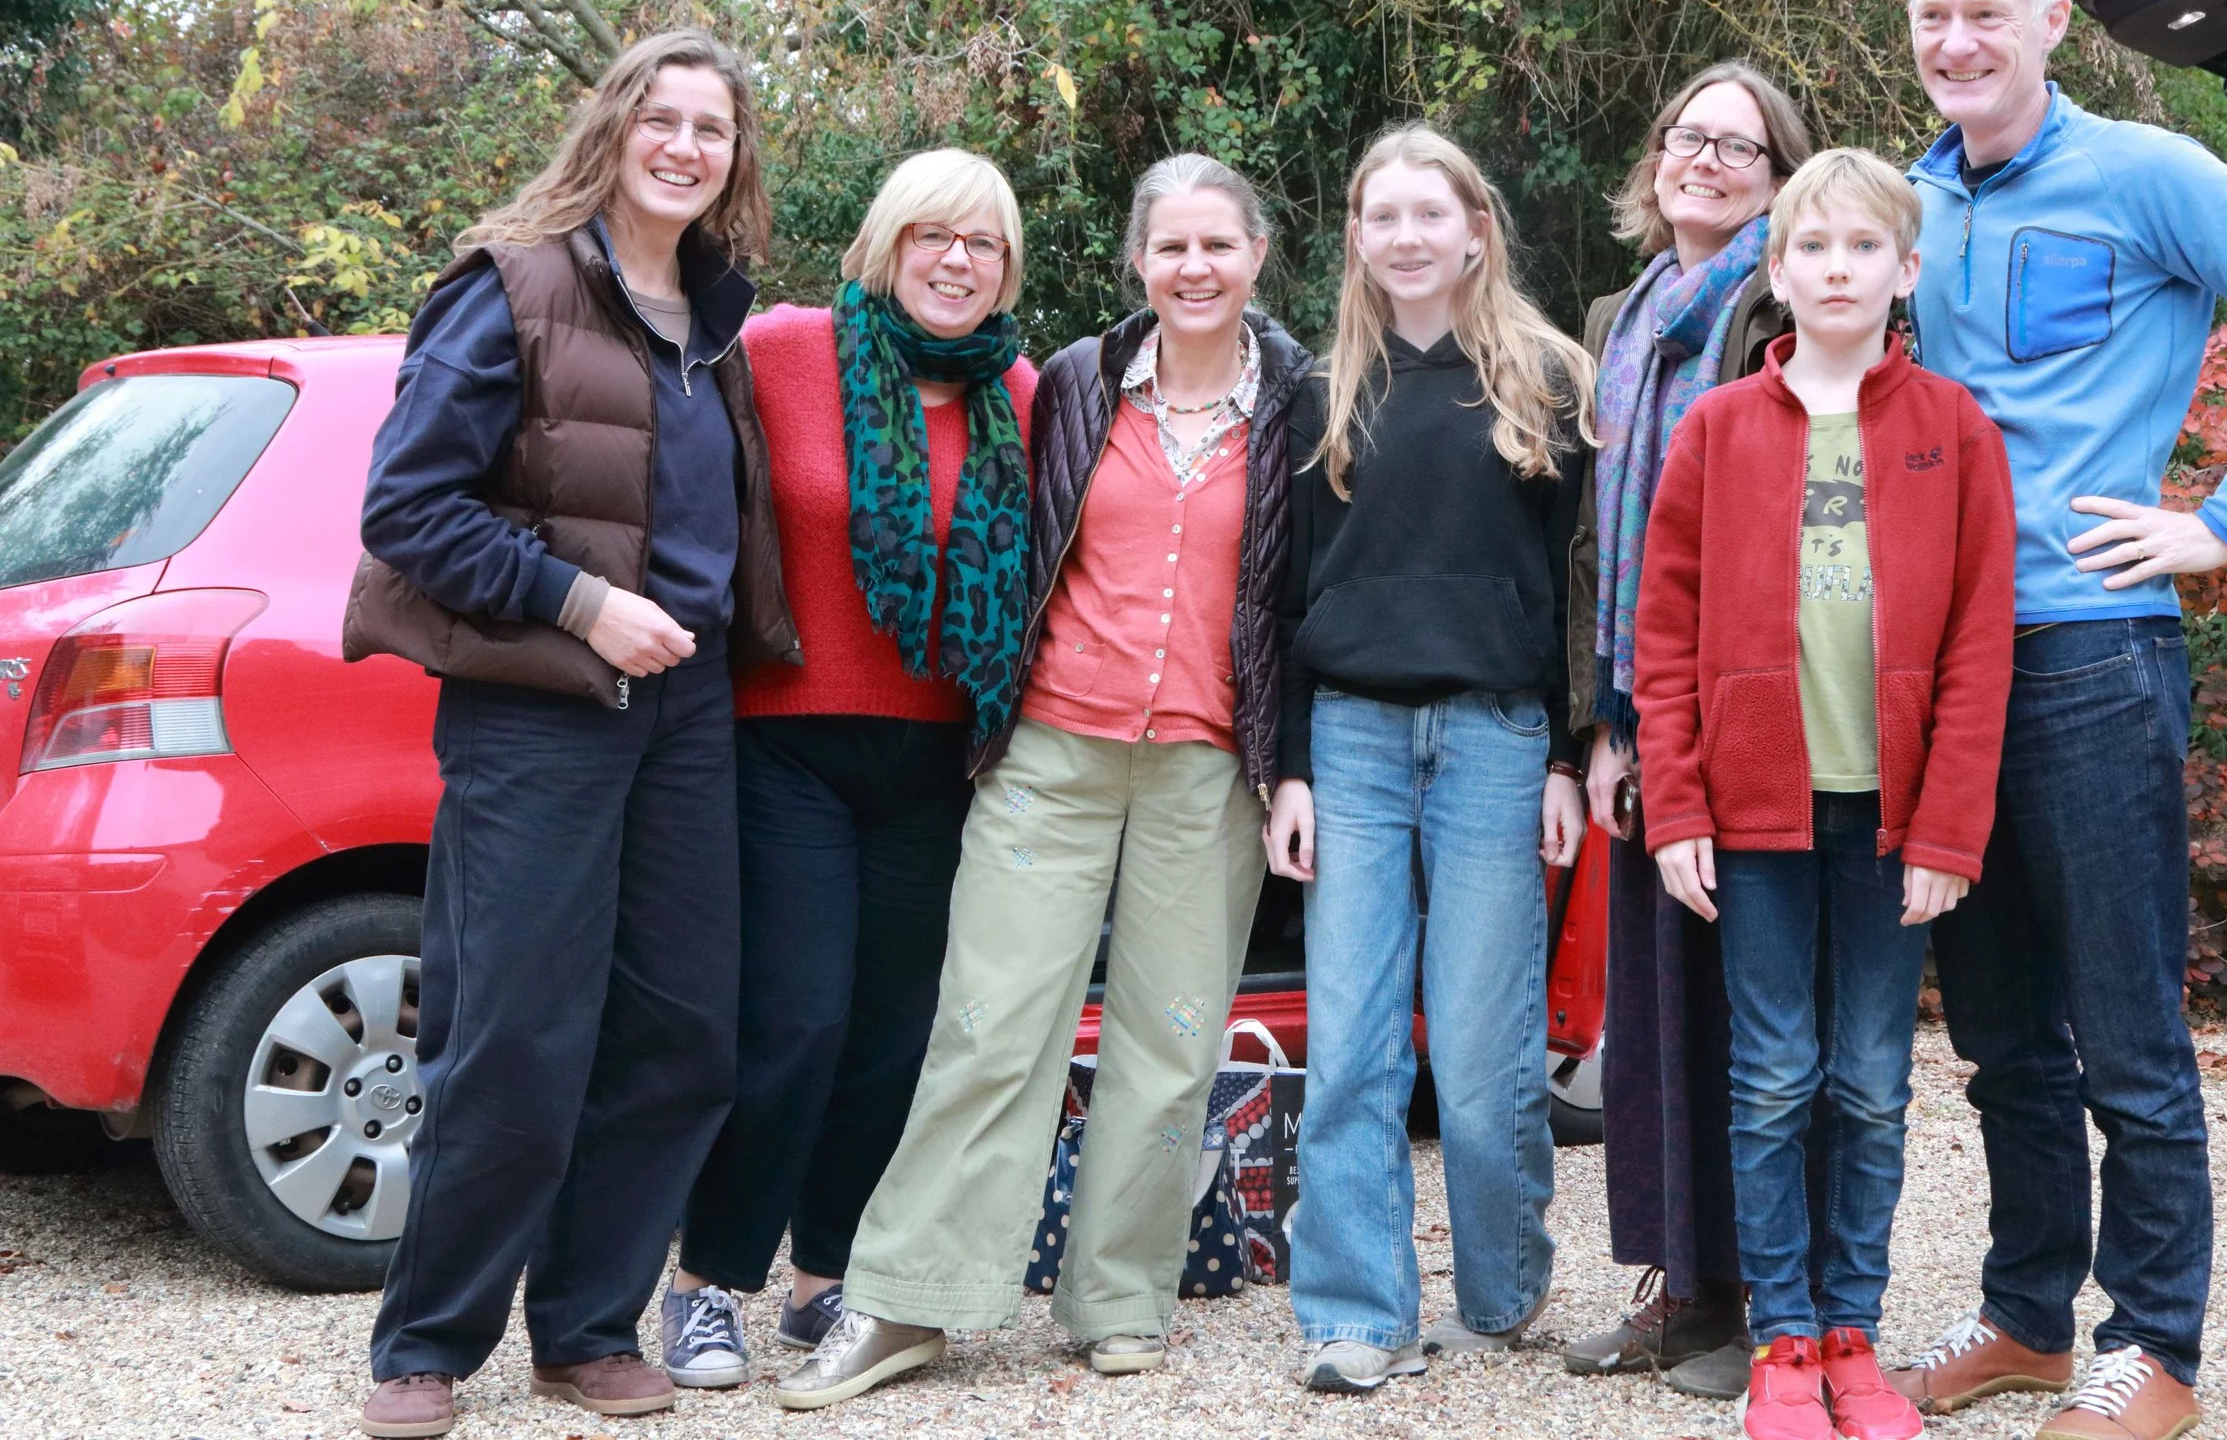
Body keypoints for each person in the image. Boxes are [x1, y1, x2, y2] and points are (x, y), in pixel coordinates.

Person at [1881, 0, 2227, 1440]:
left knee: (2124, 1022)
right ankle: (2030, 1314)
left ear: (2051, 23)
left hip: (2094, 657)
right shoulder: (1917, 201)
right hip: (1944, 675)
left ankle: (2153, 1346)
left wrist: (2223, 521)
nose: (1958, 41)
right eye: (1933, 17)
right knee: (1998, 1028)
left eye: (1988, 13)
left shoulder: (2147, 173)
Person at [769, 153, 1313, 1409]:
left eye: (1216, 246)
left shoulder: (1302, 398)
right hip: (1052, 753)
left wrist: (1295, 766)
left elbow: (1306, 597)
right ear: (1137, 260)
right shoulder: (1069, 380)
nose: (1193, 268)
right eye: (1170, 247)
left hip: (1206, 766)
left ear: (1255, 257)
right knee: (986, 1027)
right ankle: (909, 1298)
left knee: (1170, 1041)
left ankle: (1118, 1296)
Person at [343, 29, 798, 1439]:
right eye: (660, 117)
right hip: (540, 711)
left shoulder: (714, 315)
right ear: (611, 129)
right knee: (516, 1036)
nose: (683, 145)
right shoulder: (512, 288)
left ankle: (589, 1327)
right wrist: (580, 600)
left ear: (734, 158)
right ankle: (426, 1342)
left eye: (710, 128)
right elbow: (408, 511)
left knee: (680, 1035)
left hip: (688, 713)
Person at [1636, 148, 2015, 1440]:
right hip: (1755, 817)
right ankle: (1783, 1340)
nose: (1838, 268)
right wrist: (1678, 807)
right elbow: (1665, 632)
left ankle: (1854, 1329)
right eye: (1814, 248)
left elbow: (1978, 641)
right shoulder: (1718, 428)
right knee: (1771, 1076)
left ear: (1907, 270)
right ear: (1777, 269)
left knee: (1867, 1079)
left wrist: (1952, 824)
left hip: (1891, 819)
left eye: (1865, 248)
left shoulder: (1953, 428)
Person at [654, 150, 1041, 1388]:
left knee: (891, 1031)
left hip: (936, 753)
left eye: (981, 244)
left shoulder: (1021, 392)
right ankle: (708, 1277)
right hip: (789, 743)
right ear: (884, 243)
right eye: (931, 235)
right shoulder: (783, 351)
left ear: (1006, 269)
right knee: (796, 1018)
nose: (955, 261)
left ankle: (830, 1273)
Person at [1269, 124, 1595, 1393]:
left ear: (1474, 228)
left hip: (1495, 737)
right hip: (1347, 732)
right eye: (1380, 214)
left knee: (1483, 1046)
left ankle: (1505, 1281)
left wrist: (1571, 756)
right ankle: (1355, 1309)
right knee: (1350, 1042)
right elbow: (1284, 591)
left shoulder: (1548, 381)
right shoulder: (1317, 392)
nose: (1405, 235)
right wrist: (1287, 765)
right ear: (1355, 235)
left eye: (1428, 213)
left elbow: (1578, 587)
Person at [1561, 60, 1811, 1400]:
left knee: (1746, 1011)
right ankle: (1684, 1283)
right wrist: (1599, 723)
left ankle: (1766, 1300)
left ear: (1781, 176)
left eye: (1741, 146)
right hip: (1635, 702)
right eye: (1689, 136)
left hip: (1745, 705)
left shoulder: (1787, 296)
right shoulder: (1622, 311)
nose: (1706, 159)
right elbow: (1594, 538)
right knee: (1653, 1009)